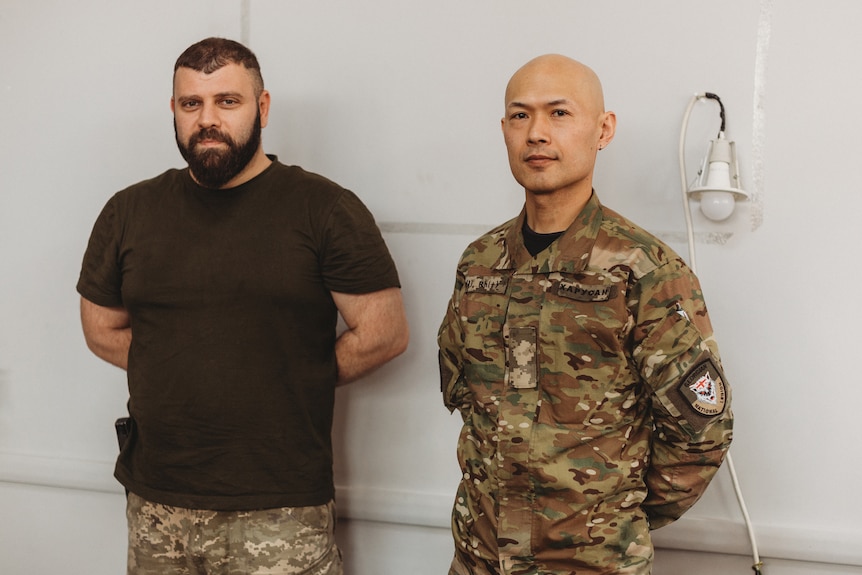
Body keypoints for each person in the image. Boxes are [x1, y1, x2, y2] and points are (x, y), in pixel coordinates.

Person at [77, 37, 408, 575]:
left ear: (263, 107)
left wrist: (288, 376)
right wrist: (181, 366)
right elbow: (101, 328)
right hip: (157, 505)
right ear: (174, 111)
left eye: (227, 102)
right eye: (192, 104)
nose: (208, 119)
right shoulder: (128, 212)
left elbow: (383, 333)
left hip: (282, 509)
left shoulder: (325, 209)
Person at [437, 54, 733, 575]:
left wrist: (609, 518)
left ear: (603, 130)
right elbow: (467, 401)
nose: (536, 133)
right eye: (520, 116)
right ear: (503, 130)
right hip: (479, 558)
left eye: (559, 113)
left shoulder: (644, 270)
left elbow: (701, 432)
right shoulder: (480, 264)